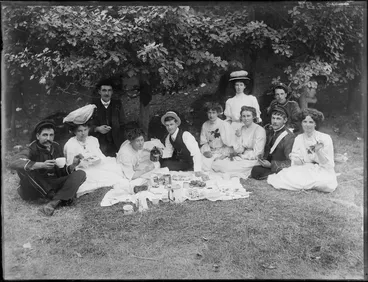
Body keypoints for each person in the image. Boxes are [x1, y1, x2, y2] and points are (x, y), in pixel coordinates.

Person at [9, 120, 86, 216]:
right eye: (45, 135)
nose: (48, 138)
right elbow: (13, 162)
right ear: (38, 136)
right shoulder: (31, 149)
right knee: (26, 168)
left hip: (53, 183)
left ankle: (54, 202)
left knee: (81, 173)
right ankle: (60, 197)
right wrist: (41, 165)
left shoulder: (56, 147)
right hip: (33, 189)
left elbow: (61, 172)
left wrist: (73, 165)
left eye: (51, 135)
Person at [267, 108, 338, 193]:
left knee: (326, 184)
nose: (307, 125)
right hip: (305, 168)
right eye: (305, 122)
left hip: (323, 169)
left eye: (311, 122)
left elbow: (328, 164)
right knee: (283, 178)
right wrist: (295, 158)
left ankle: (311, 183)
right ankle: (308, 183)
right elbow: (298, 162)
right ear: (301, 123)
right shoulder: (299, 138)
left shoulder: (325, 138)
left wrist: (318, 151)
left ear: (315, 124)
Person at [63, 106, 127, 197]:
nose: (83, 133)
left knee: (115, 167)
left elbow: (100, 156)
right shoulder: (70, 144)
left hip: (95, 164)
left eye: (85, 130)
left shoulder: (93, 140)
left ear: (89, 129)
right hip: (82, 169)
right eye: (80, 131)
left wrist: (97, 160)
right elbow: (71, 166)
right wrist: (81, 162)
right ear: (74, 132)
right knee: (100, 176)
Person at [212, 106, 266, 178]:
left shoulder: (259, 130)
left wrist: (243, 156)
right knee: (217, 164)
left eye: (248, 116)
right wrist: (237, 138)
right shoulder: (241, 128)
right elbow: (239, 149)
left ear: (253, 116)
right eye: (243, 116)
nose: (246, 118)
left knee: (227, 168)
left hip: (253, 160)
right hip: (241, 157)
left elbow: (258, 153)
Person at [251, 106, 295, 180]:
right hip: (270, 164)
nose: (274, 121)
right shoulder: (271, 132)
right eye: (273, 118)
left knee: (257, 171)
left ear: (285, 120)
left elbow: (291, 162)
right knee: (255, 170)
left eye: (278, 119)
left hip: (280, 167)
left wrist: (271, 165)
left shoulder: (289, 137)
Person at [90, 79, 126, 157]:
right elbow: (87, 126)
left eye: (109, 90)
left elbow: (122, 123)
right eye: (104, 90)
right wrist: (97, 128)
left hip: (116, 143)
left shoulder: (117, 104)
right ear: (99, 92)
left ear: (112, 92)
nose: (107, 93)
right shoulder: (92, 105)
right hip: (99, 144)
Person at [199, 102, 234, 171]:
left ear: (218, 113)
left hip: (222, 152)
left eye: (213, 112)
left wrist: (223, 156)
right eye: (209, 112)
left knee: (220, 165)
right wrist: (206, 152)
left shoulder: (224, 125)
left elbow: (230, 144)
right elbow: (204, 142)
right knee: (201, 163)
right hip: (210, 152)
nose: (211, 115)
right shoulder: (205, 125)